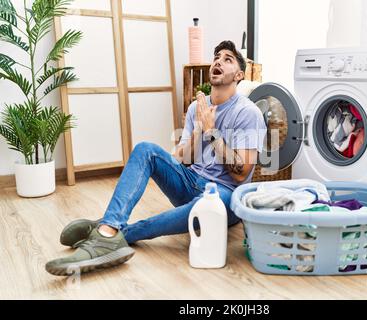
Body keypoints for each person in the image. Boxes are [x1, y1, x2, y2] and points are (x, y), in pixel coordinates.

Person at [45, 40, 267, 276]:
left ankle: (110, 232)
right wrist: (199, 129)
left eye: (227, 59)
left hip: (224, 197)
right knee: (145, 149)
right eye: (216, 57)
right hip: (191, 181)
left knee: (202, 206)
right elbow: (183, 160)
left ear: (239, 75)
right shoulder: (196, 108)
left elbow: (241, 173)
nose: (218, 61)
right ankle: (110, 226)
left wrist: (212, 132)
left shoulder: (247, 112)